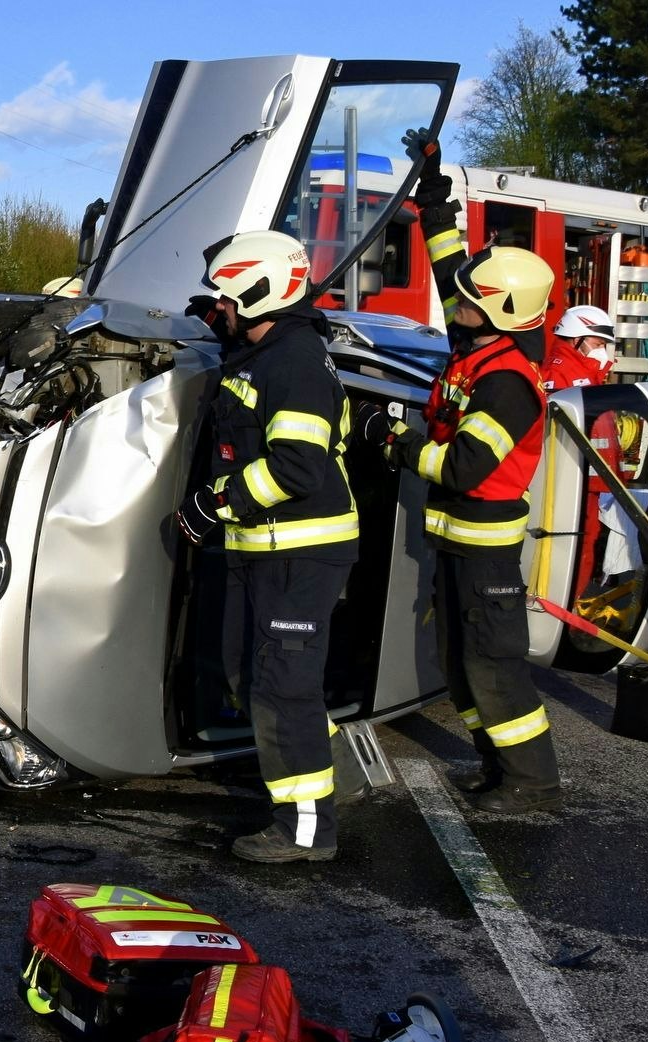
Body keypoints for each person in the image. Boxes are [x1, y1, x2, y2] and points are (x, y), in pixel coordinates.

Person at [353, 129, 561, 813]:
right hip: (453, 542)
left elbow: (465, 467)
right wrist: (434, 187)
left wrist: (393, 442)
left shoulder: (507, 382)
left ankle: (531, 781)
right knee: (461, 664)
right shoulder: (480, 338)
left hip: (484, 547)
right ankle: (493, 765)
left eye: (470, 299)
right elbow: (450, 266)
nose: (455, 302)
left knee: (493, 665)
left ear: (499, 309)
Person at [176, 229, 359, 863]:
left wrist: (214, 501)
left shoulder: (295, 364)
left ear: (259, 296)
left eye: (225, 299)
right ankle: (328, 766)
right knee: (244, 673)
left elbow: (298, 470)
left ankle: (307, 831)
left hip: (300, 553)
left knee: (284, 688)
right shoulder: (262, 352)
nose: (219, 309)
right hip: (259, 548)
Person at [541, 306, 621, 597]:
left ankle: (568, 605)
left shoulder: (583, 371)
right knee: (571, 549)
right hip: (571, 481)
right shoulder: (558, 372)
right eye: (599, 344)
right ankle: (563, 609)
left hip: (587, 480)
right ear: (577, 339)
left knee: (583, 545)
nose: (604, 352)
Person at [540, 305, 614, 392]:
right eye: (598, 345)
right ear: (577, 340)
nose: (602, 351)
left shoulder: (583, 369)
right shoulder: (557, 374)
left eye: (603, 345)